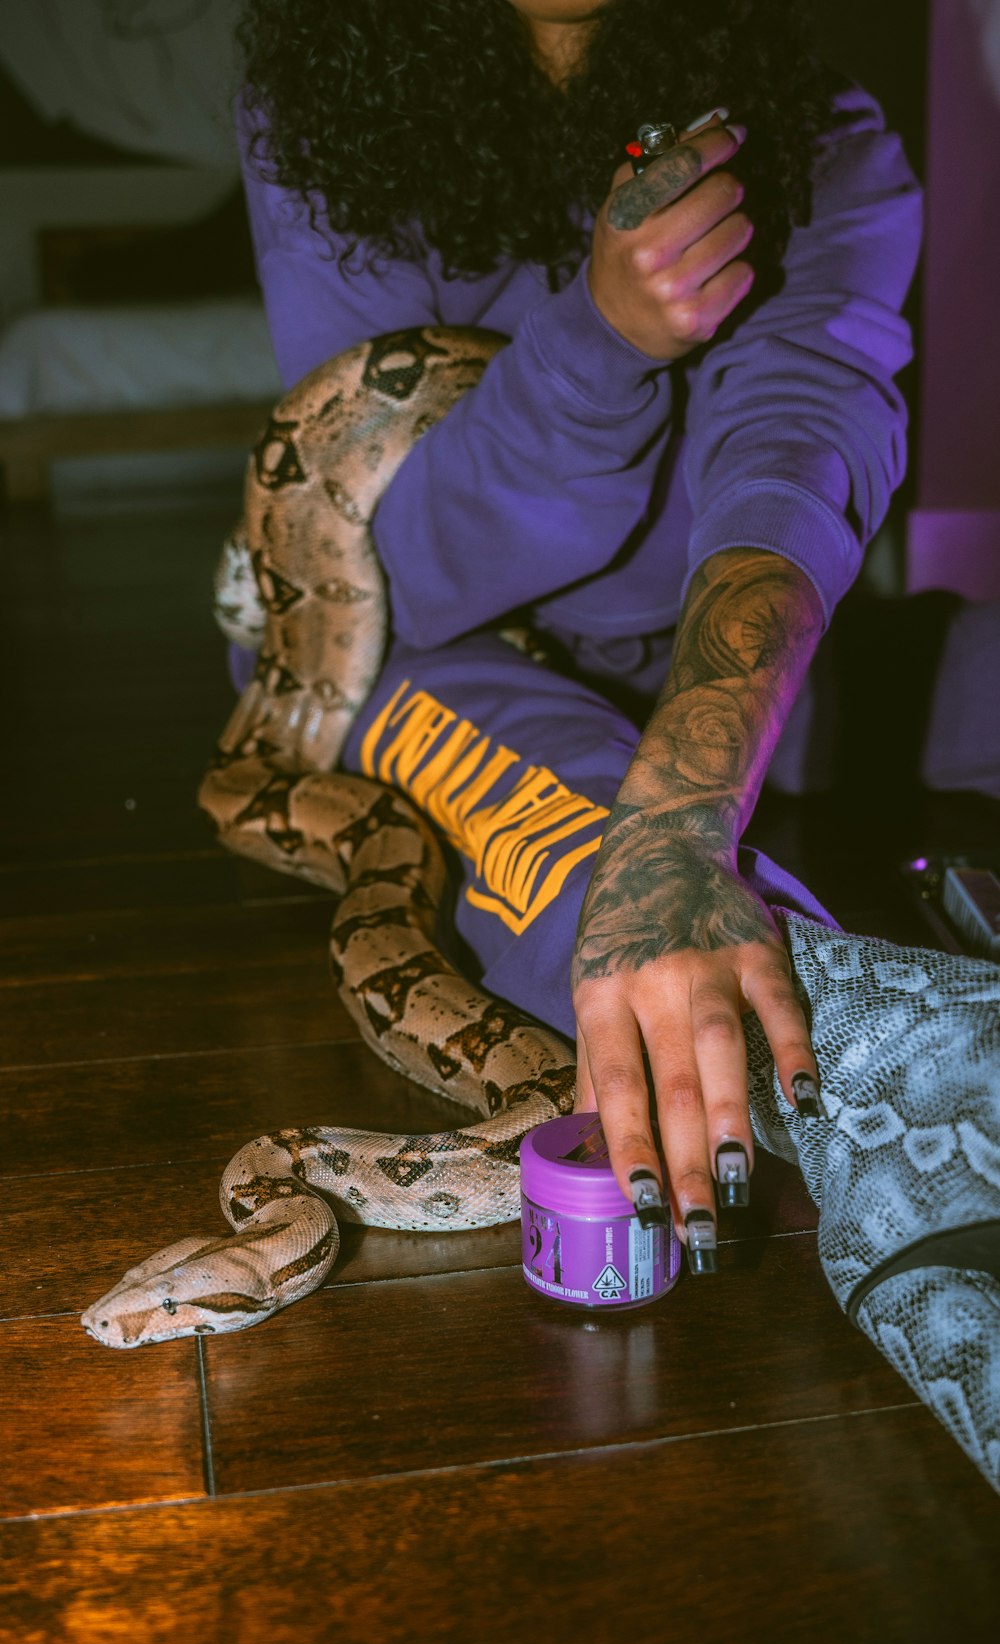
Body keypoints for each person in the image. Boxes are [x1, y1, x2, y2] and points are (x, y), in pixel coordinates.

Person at [229, 0, 924, 1272]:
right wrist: (603, 340)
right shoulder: (319, 118)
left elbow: (793, 461)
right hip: (405, 650)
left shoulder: (828, 137)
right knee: (615, 889)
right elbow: (403, 576)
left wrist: (687, 810)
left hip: (692, 627)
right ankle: (910, 1088)